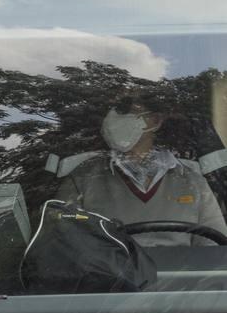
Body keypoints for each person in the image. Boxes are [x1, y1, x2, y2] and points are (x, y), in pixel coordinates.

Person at [57, 97, 227, 246]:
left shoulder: (193, 182)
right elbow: (61, 241)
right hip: (107, 280)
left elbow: (215, 249)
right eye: (113, 110)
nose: (113, 116)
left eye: (126, 109)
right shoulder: (83, 177)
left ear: (155, 120)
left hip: (180, 280)